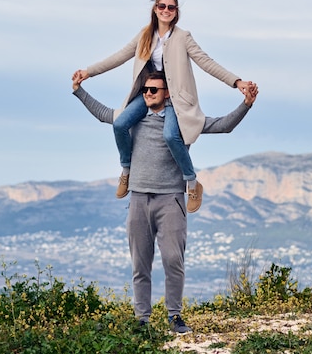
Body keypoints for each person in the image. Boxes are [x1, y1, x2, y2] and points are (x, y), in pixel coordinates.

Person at [72, 72, 258, 333]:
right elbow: (104, 114)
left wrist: (246, 104)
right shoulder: (133, 119)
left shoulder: (181, 122)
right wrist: (79, 91)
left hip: (171, 200)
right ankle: (142, 320)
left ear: (167, 93)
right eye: (146, 89)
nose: (148, 93)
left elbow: (223, 125)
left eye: (154, 90)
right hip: (138, 199)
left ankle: (174, 316)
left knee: (173, 261)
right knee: (140, 264)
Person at [73, 0, 252, 212]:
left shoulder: (183, 37)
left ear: (176, 12)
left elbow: (206, 62)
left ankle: (192, 183)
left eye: (171, 7)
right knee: (120, 123)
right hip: (149, 92)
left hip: (175, 99)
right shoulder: (144, 36)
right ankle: (127, 171)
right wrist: (88, 72)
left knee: (170, 135)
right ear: (155, 9)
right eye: (162, 6)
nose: (166, 10)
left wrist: (236, 82)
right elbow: (118, 57)